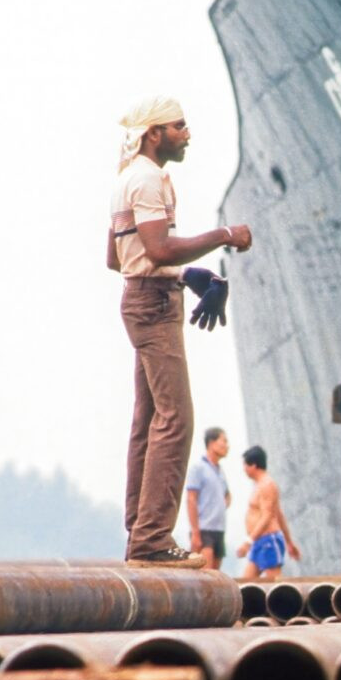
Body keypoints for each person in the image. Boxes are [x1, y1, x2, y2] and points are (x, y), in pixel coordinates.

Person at [108, 95, 253, 564]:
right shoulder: (148, 179)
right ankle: (152, 540)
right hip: (153, 305)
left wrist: (189, 277)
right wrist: (224, 237)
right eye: (179, 126)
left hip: (141, 296)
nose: (187, 134)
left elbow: (117, 258)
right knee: (176, 419)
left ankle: (139, 531)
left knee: (147, 420)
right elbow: (160, 248)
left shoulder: (126, 177)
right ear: (155, 134)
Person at [236, 445, 301, 579]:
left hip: (268, 541)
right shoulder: (260, 485)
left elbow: (268, 516)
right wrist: (289, 542)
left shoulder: (267, 485)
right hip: (259, 541)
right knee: (246, 583)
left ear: (253, 465)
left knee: (276, 585)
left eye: (245, 465)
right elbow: (279, 515)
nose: (244, 470)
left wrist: (248, 541)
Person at [185, 427, 231, 570]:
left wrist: (220, 505)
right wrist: (196, 533)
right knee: (206, 577)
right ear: (211, 443)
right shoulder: (198, 468)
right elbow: (191, 499)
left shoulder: (220, 470)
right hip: (204, 529)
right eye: (224, 441)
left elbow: (227, 495)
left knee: (216, 578)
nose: (227, 445)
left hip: (219, 529)